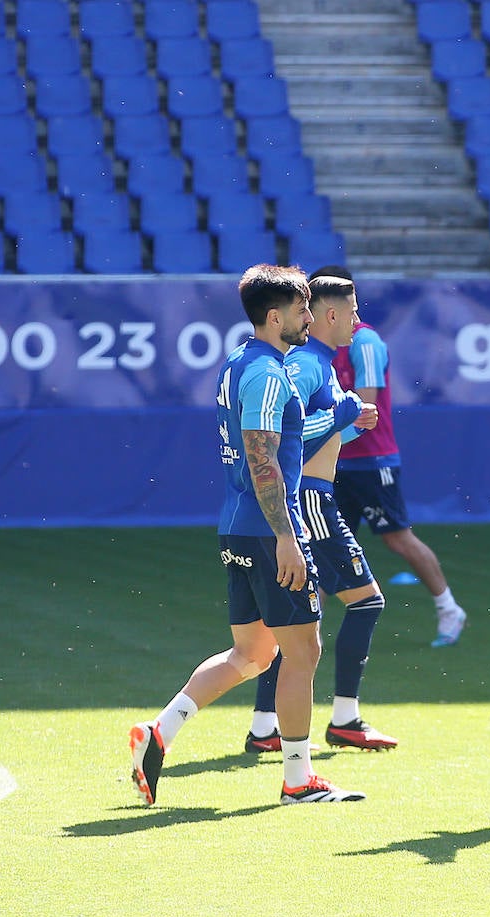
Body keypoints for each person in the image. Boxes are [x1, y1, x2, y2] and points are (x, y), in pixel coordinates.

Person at [129, 265, 364, 806]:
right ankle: (299, 780)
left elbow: (267, 446)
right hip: (267, 528)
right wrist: (287, 535)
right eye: (305, 309)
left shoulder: (242, 361)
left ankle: (159, 731)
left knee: (253, 654)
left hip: (237, 524)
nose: (311, 318)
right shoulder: (268, 373)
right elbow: (263, 456)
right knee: (302, 650)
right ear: (276, 316)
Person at [244, 273, 399, 755]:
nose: (357, 321)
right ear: (333, 315)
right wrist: (341, 416)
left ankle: (267, 722)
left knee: (294, 623)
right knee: (358, 605)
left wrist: (350, 425)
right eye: (352, 312)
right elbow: (289, 435)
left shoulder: (321, 363)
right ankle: (341, 718)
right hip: (310, 499)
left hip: (315, 493)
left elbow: (316, 435)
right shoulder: (309, 363)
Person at [314, 265, 468, 648]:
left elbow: (366, 411)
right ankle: (304, 626)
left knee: (398, 540)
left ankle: (449, 607)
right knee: (321, 545)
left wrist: (316, 441)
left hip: (372, 460)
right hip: (336, 461)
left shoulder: (365, 343)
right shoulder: (321, 349)